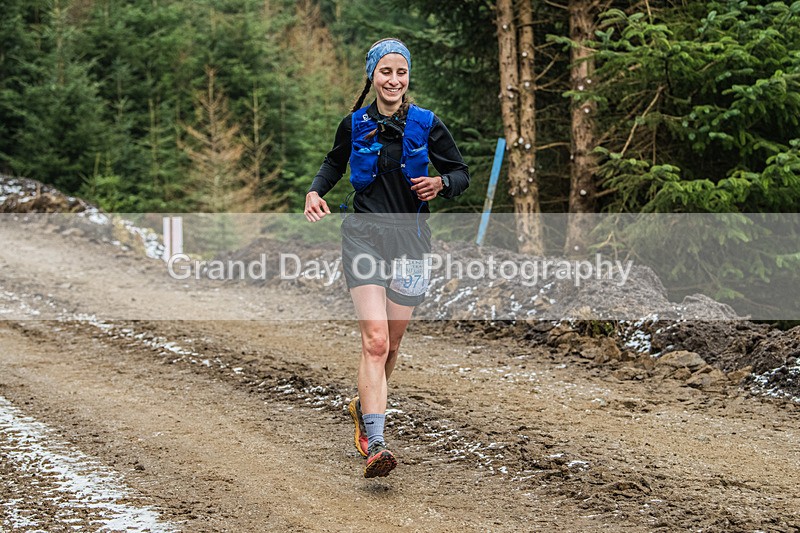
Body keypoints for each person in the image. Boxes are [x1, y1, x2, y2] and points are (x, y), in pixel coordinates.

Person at [304, 38, 469, 478]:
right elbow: (334, 162)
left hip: (412, 241)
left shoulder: (427, 123)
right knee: (375, 341)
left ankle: (364, 407)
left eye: (401, 72)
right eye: (385, 72)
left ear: (408, 77)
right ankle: (376, 441)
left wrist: (441, 185)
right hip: (364, 237)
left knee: (392, 345)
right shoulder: (354, 123)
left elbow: (460, 173)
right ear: (372, 76)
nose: (394, 80)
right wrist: (315, 191)